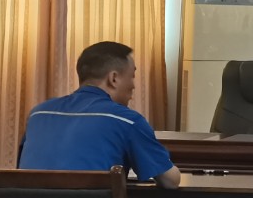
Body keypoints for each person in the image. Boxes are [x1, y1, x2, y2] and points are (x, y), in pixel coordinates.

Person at [19, 42, 179, 187]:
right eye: (132, 77)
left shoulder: (38, 114)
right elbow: (170, 181)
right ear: (113, 78)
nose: (133, 86)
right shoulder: (127, 120)